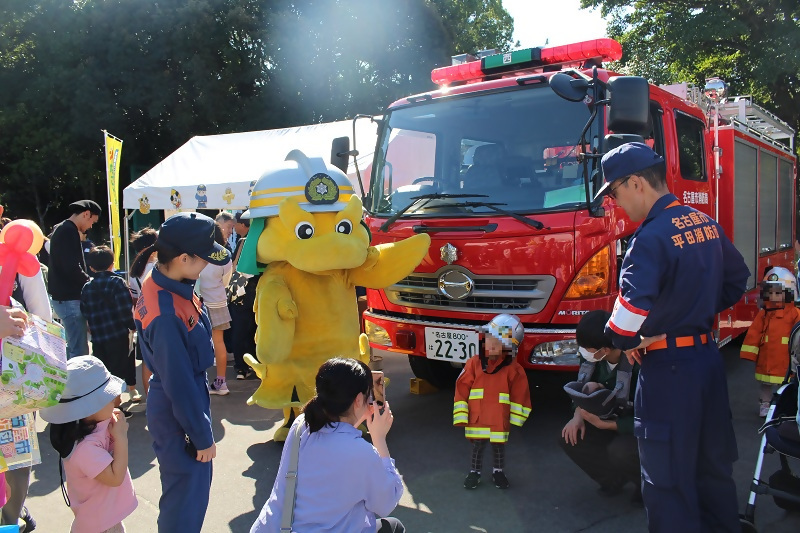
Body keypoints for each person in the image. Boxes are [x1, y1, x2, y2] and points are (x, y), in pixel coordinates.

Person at [596, 142, 749, 531]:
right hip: (707, 363)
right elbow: (736, 280)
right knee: (712, 469)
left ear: (635, 183)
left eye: (614, 192)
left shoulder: (648, 238)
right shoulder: (704, 222)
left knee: (666, 481)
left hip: (668, 372)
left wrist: (628, 339)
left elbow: (626, 320)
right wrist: (691, 311)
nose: (615, 203)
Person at [134, 212, 229, 533]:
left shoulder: (165, 283)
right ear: (183, 258)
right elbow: (178, 381)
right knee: (185, 503)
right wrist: (201, 436)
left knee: (183, 495)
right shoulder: (166, 309)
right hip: (179, 408)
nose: (207, 265)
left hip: (176, 400)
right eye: (203, 258)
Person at [250, 357, 404, 533]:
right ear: (359, 400)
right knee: (393, 527)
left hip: (277, 528)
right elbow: (386, 503)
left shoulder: (301, 425)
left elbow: (337, 437)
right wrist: (379, 438)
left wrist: (357, 416)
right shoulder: (360, 452)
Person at [39, 355, 137, 533]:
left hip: (105, 519)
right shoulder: (85, 449)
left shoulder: (94, 425)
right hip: (99, 526)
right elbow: (115, 478)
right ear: (89, 408)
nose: (117, 399)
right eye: (109, 397)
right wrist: (121, 437)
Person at [559, 310, 641, 503]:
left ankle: (646, 485)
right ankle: (613, 479)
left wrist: (611, 426)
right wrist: (578, 414)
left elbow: (652, 420)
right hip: (606, 417)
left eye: (586, 348)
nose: (583, 353)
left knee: (621, 450)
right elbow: (581, 390)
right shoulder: (593, 358)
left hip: (637, 428)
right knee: (569, 437)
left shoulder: (637, 364)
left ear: (604, 350)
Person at [454, 314, 531, 490]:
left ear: (508, 348)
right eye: (488, 339)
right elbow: (461, 388)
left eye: (496, 343)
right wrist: (461, 415)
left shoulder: (514, 369)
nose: (490, 345)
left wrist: (516, 419)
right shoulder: (474, 363)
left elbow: (521, 393)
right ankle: (474, 472)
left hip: (498, 419)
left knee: (498, 446)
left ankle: (498, 472)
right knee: (478, 446)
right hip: (478, 417)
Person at [81, 246, 139, 409]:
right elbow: (124, 309)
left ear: (91, 268)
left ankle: (106, 407)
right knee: (118, 372)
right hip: (118, 335)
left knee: (103, 372)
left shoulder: (87, 287)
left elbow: (85, 311)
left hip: (99, 337)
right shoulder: (117, 282)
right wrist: (132, 326)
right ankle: (116, 407)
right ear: (112, 264)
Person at [741, 266, 800, 416]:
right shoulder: (764, 313)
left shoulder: (795, 313)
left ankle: (785, 407)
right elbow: (754, 333)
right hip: (767, 358)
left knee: (787, 385)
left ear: (788, 293)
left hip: (786, 359)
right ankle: (765, 405)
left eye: (778, 293)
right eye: (770, 292)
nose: (773, 296)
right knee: (765, 385)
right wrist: (750, 354)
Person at [48, 199, 102, 359]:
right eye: (92, 221)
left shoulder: (62, 228)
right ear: (86, 214)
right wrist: (89, 282)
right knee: (79, 352)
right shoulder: (68, 231)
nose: (91, 226)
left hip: (64, 299)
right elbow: (71, 267)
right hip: (69, 300)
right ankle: (73, 383)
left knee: (75, 346)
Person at [195, 223, 233, 395]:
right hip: (218, 301)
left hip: (197, 302)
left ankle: (196, 381)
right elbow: (226, 282)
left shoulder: (196, 253)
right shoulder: (225, 255)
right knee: (219, 342)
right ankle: (221, 382)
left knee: (194, 343)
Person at [127, 228, 158, 398]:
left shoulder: (134, 271)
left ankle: (150, 398)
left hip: (143, 319)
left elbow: (134, 299)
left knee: (147, 360)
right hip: (161, 318)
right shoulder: (161, 267)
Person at [230, 212, 258, 380]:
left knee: (239, 331)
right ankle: (257, 365)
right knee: (256, 332)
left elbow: (233, 267)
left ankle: (241, 367)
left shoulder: (242, 242)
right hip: (259, 293)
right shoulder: (263, 243)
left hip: (240, 294)